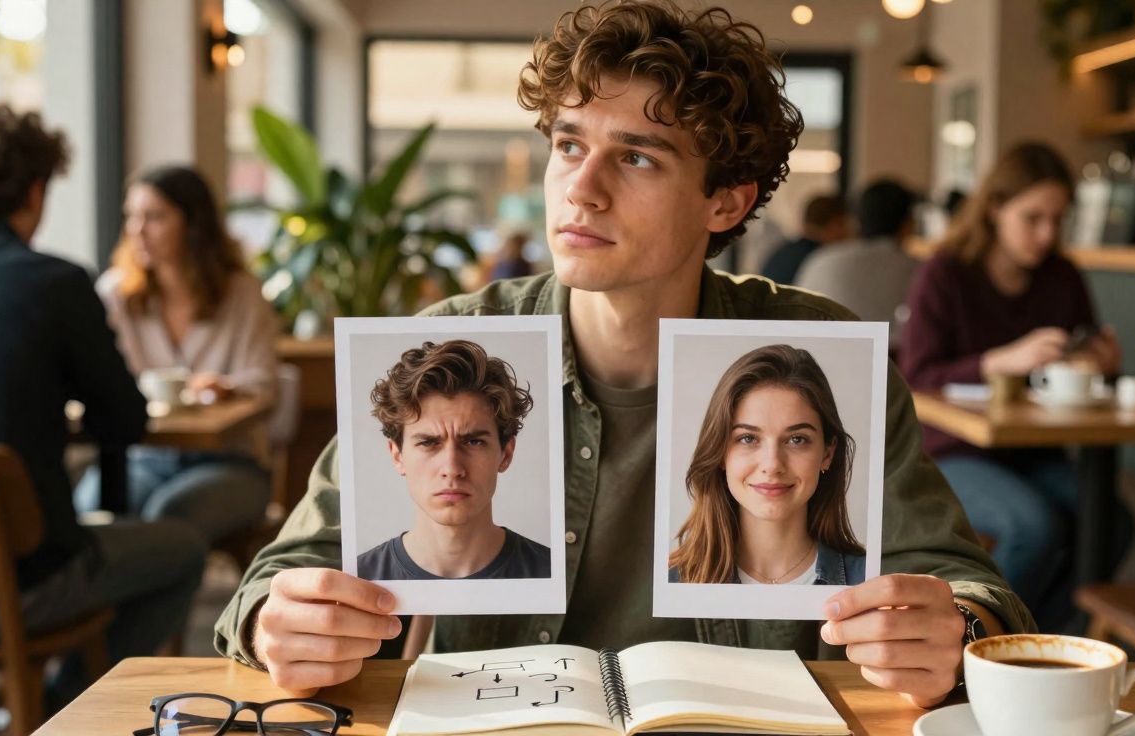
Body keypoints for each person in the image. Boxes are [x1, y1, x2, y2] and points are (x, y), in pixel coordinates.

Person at [216, 1, 1031, 708]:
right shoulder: (458, 346)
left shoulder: (820, 357)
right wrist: (277, 623)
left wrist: (956, 630)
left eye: (636, 157)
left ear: (726, 201)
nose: (582, 188)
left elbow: (969, 587)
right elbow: (279, 578)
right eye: (569, 146)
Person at [0, 104, 205, 715]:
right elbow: (124, 421)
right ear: (36, 190)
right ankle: (58, 711)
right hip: (21, 584)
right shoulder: (54, 285)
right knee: (182, 550)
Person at [899, 141, 1131, 632]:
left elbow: (1083, 354)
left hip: (1035, 448)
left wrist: (1103, 363)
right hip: (954, 448)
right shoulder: (945, 275)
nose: (1047, 234)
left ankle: (1041, 638)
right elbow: (916, 376)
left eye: (1057, 219)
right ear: (995, 208)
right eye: (1033, 218)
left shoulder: (1062, 277)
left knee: (1113, 521)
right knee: (1033, 526)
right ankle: (974, 639)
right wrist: (998, 361)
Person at [74, 165, 279, 545]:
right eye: (132, 216)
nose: (137, 230)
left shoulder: (243, 293)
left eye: (154, 217)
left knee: (166, 518)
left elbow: (265, 387)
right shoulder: (115, 295)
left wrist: (227, 388)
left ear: (193, 224)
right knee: (89, 509)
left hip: (229, 462)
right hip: (143, 458)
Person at [669, 345, 865, 586]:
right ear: (720, 452)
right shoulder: (671, 583)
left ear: (827, 453)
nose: (772, 465)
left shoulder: (870, 580)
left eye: (797, 439)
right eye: (748, 438)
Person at [357, 340, 550, 580]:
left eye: (473, 442)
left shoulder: (555, 576)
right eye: (428, 443)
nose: (452, 468)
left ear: (506, 454)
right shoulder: (358, 580)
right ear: (398, 456)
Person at [796, 179, 923, 348]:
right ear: (909, 225)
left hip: (818, 357)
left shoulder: (820, 261)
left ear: (855, 221)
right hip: (892, 362)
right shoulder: (918, 271)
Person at [758, 194, 850, 285]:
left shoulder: (781, 253)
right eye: (845, 225)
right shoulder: (824, 259)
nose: (849, 232)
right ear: (835, 224)